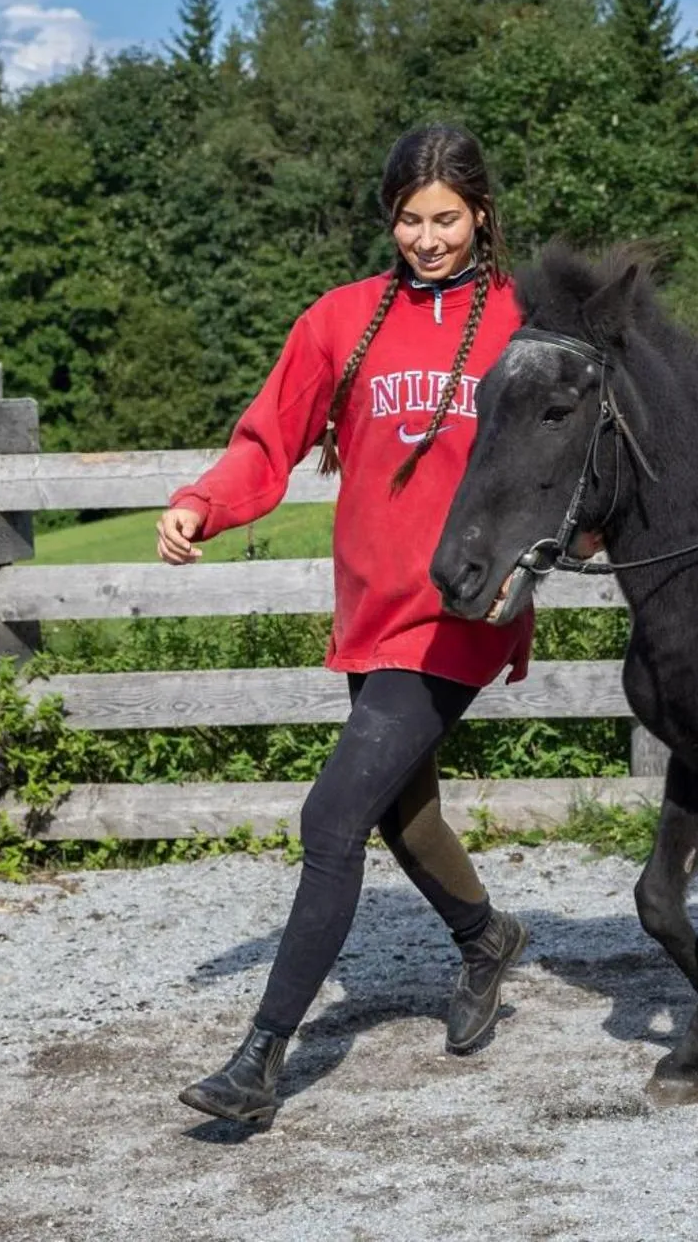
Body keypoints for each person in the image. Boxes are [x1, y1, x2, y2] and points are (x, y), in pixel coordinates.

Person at [159, 124, 534, 1126]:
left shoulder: (519, 318)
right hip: (372, 609)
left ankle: (259, 1057)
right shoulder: (339, 320)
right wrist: (203, 501)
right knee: (403, 810)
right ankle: (486, 935)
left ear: (481, 214)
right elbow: (266, 439)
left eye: (446, 218)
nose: (427, 237)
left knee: (332, 817)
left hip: (460, 611)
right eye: (409, 219)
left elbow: (569, 451)